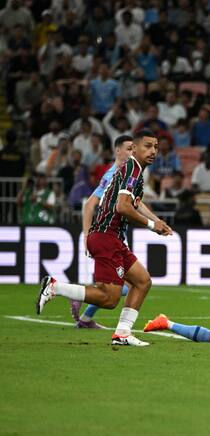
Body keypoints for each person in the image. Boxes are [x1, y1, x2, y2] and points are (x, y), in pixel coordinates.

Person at [35, 130, 173, 347]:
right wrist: (151, 225)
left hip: (113, 237)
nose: (153, 151)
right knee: (109, 299)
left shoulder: (132, 171)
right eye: (147, 146)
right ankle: (54, 287)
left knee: (142, 281)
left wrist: (157, 222)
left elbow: (132, 203)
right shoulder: (132, 170)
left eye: (155, 146)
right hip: (106, 237)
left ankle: (122, 333)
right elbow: (122, 206)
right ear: (134, 149)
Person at [72, 135, 140, 328]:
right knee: (129, 285)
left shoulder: (121, 173)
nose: (132, 152)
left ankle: (85, 319)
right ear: (117, 151)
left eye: (133, 149)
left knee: (119, 286)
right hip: (109, 236)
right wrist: (86, 235)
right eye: (128, 148)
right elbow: (88, 205)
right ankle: (79, 293)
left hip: (115, 236)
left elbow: (89, 205)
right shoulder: (114, 175)